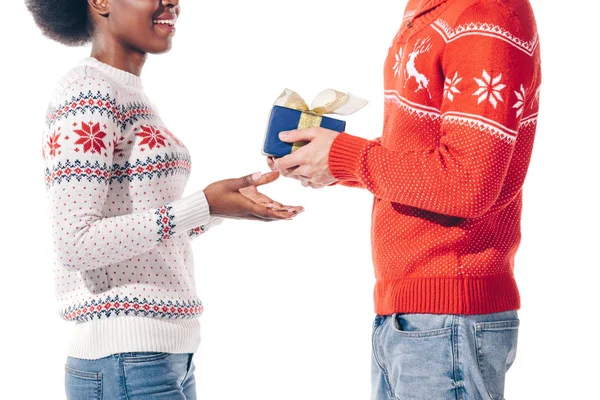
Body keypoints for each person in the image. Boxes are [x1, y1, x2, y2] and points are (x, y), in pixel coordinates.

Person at [28, 0, 303, 398]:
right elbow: (76, 243)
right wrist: (204, 204)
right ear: (100, 2)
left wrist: (220, 209)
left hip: (161, 356)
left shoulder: (124, 91)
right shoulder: (86, 92)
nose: (171, 0)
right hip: (125, 359)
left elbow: (139, 236)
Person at [269, 0, 541, 398]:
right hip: (411, 316)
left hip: (449, 316)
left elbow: (467, 183)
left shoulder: (483, 13)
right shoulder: (429, 11)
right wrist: (330, 164)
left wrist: (345, 156)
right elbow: (419, 154)